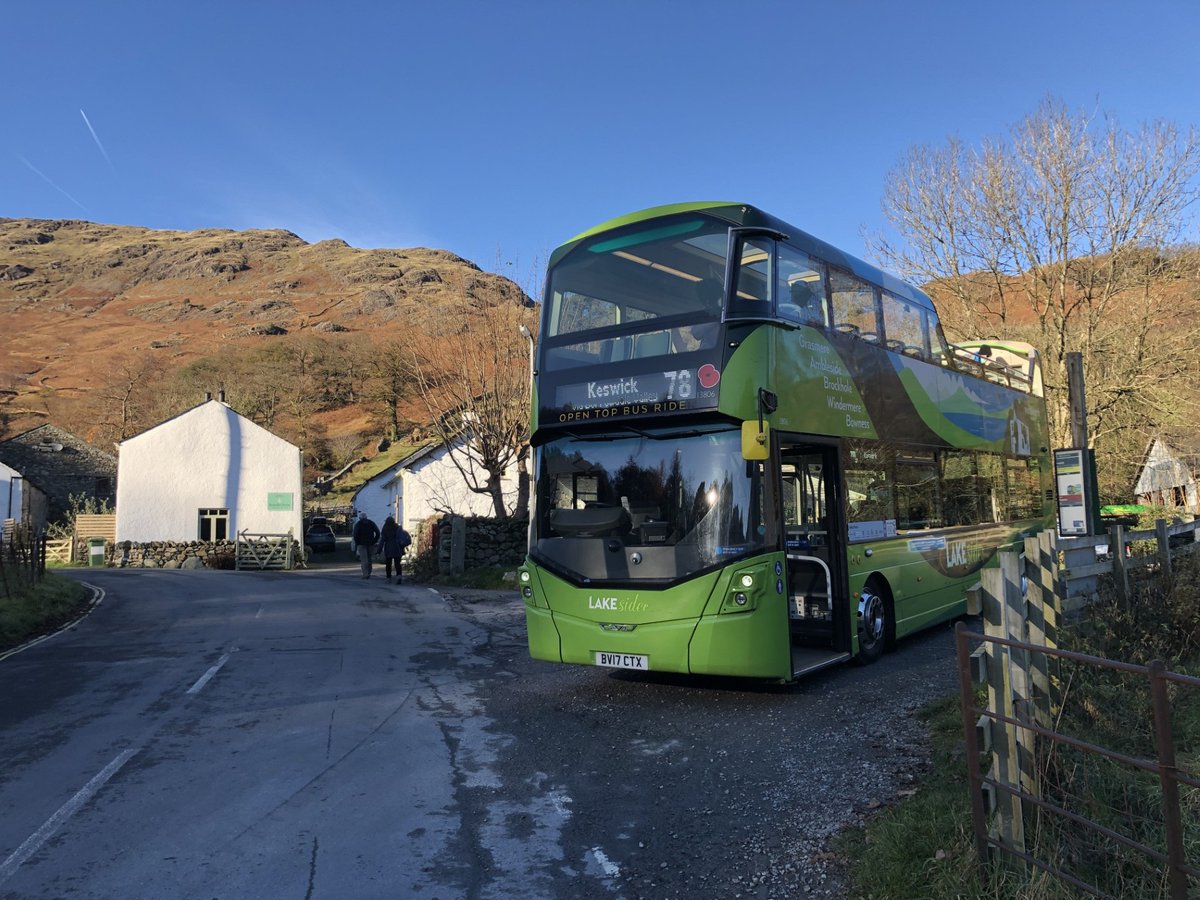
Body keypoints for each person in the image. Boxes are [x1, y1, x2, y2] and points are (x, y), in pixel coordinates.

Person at [379, 515, 412, 584]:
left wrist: (379, 549)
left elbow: (382, 540)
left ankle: (388, 578)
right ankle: (399, 576)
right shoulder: (398, 528)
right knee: (397, 563)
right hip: (397, 548)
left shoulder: (385, 529)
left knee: (388, 564)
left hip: (388, 548)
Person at [352, 511, 380, 578]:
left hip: (361, 544)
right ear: (366, 517)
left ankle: (365, 574)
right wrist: (374, 541)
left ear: (360, 518)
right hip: (370, 543)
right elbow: (378, 532)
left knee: (364, 560)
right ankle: (369, 572)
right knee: (369, 559)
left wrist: (357, 543)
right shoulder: (371, 523)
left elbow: (355, 535)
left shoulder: (358, 524)